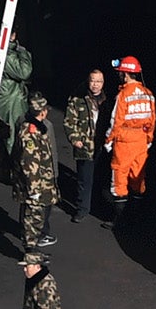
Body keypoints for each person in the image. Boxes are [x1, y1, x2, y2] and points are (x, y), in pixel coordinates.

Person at [104, 55, 156, 226]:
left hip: (124, 141)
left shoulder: (123, 95)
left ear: (125, 74)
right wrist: (148, 139)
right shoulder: (148, 94)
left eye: (120, 73)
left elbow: (116, 121)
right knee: (138, 178)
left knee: (119, 178)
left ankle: (118, 219)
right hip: (141, 141)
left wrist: (108, 140)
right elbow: (152, 120)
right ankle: (136, 217)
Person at [17, 92, 59, 250]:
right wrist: (34, 190)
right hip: (37, 184)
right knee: (33, 218)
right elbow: (30, 164)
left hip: (43, 179)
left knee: (36, 216)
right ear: (43, 111)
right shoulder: (31, 133)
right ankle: (31, 253)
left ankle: (34, 248)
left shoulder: (35, 126)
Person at [64, 69, 106, 221]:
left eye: (99, 81)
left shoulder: (106, 100)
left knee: (100, 177)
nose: (95, 85)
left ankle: (98, 205)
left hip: (102, 145)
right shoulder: (78, 98)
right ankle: (82, 209)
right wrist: (74, 138)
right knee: (84, 179)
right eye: (93, 81)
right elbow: (69, 121)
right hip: (85, 146)